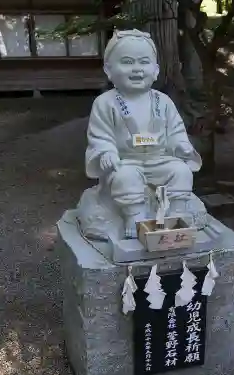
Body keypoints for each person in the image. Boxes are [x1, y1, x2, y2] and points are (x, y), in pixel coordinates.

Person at [85, 29, 202, 238]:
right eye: (128, 62)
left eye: (143, 62)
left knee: (181, 171)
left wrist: (181, 145)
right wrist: (106, 153)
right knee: (124, 177)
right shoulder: (105, 103)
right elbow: (100, 136)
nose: (137, 69)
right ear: (109, 70)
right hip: (127, 161)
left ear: (156, 70)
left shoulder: (163, 101)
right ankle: (134, 214)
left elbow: (175, 130)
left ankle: (177, 212)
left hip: (160, 159)